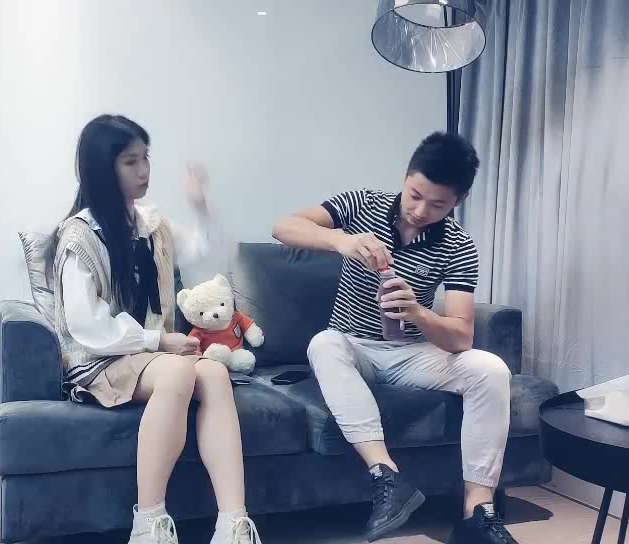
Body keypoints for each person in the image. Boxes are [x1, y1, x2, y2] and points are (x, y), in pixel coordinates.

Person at [272, 132, 517, 544]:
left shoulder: (458, 245)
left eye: (437, 205)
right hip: (354, 346)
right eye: (415, 195)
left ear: (458, 201)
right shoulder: (362, 204)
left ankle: (478, 514)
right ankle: (387, 477)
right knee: (323, 343)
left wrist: (419, 313)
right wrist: (342, 241)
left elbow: (460, 336)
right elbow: (283, 227)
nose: (420, 211)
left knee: (491, 369)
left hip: (412, 353)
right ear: (405, 177)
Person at [44, 114, 262, 544]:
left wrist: (200, 206)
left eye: (146, 158)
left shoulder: (151, 223)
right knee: (180, 369)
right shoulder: (79, 237)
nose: (144, 170)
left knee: (215, 374)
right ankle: (149, 524)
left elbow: (209, 254)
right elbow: (86, 325)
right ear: (102, 168)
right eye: (131, 161)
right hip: (100, 359)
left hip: (151, 356)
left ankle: (233, 524)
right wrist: (158, 340)